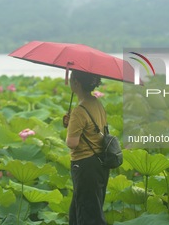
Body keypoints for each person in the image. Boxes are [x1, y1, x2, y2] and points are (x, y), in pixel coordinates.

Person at [63, 70, 110, 225]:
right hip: (99, 164)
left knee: (88, 216)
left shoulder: (79, 111)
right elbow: (94, 132)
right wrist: (71, 125)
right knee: (79, 211)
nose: (70, 81)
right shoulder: (97, 103)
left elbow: (72, 143)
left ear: (76, 82)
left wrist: (71, 128)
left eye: (71, 79)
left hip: (84, 165)